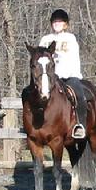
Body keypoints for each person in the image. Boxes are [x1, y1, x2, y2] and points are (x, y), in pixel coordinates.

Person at [38, 9, 88, 139]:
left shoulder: (70, 38)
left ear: (65, 24)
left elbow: (74, 58)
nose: (57, 23)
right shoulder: (45, 40)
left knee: (79, 95)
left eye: (60, 21)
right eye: (54, 21)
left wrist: (74, 75)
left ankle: (80, 124)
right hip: (47, 78)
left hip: (66, 75)